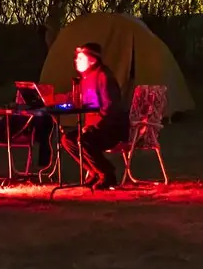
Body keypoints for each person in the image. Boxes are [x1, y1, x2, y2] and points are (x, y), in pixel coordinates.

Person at [29, 43, 130, 187]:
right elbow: (74, 97)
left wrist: (96, 126)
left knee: (84, 139)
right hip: (94, 127)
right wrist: (49, 98)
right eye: (77, 58)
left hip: (111, 128)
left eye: (81, 58)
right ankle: (95, 172)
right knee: (68, 140)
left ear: (93, 60)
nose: (77, 61)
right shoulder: (85, 78)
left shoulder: (103, 76)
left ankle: (107, 174)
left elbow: (111, 107)